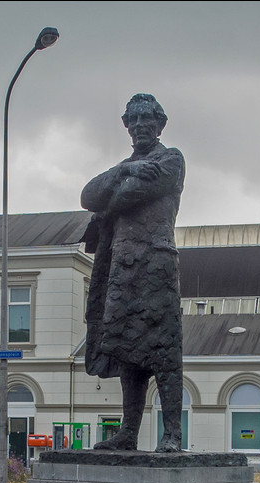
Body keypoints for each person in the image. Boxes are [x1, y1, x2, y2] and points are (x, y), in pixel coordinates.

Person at [80, 93, 186, 452]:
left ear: (160, 124)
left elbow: (127, 197)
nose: (140, 126)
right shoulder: (128, 165)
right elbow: (87, 195)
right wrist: (125, 169)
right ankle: (129, 432)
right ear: (127, 126)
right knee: (128, 352)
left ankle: (172, 433)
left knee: (164, 350)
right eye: (134, 120)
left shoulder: (170, 160)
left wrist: (117, 192)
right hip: (122, 270)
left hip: (155, 265)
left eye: (147, 119)